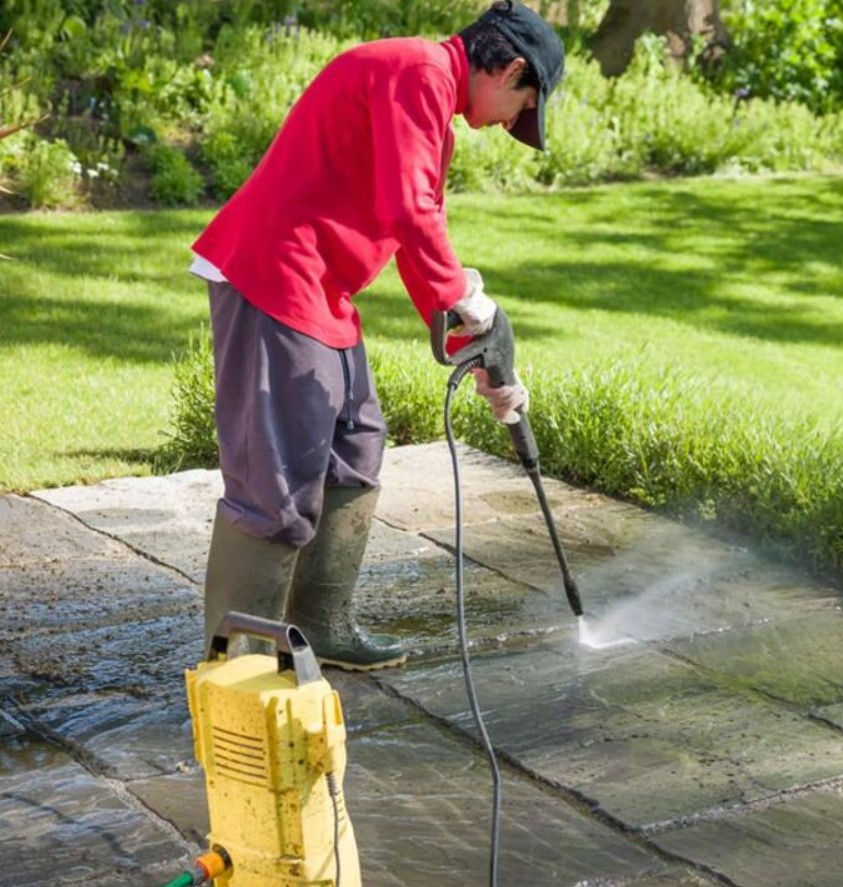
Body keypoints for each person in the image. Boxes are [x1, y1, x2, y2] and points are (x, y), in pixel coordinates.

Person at [189, 1, 565, 670]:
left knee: (355, 442)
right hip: (274, 272)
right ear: (507, 68)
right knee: (275, 475)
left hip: (320, 287)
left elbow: (415, 233)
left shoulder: (429, 98)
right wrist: (466, 301)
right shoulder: (417, 73)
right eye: (522, 103)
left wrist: (472, 348)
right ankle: (238, 667)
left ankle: (320, 628)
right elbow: (411, 211)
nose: (512, 121)